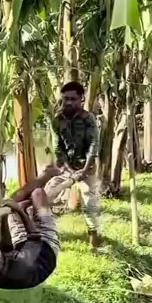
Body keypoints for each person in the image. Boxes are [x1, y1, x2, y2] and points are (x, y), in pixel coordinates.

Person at [0, 165, 72, 289]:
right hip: (44, 251)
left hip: (20, 249)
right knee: (37, 194)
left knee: (12, 200)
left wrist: (5, 216)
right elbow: (35, 237)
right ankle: (62, 174)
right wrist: (19, 210)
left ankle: (47, 175)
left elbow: (6, 246)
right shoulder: (21, 265)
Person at [54, 81, 101, 249]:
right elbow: (57, 147)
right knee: (47, 195)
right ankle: (49, 237)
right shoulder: (57, 119)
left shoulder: (88, 119)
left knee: (89, 203)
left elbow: (93, 146)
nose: (68, 102)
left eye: (73, 99)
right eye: (65, 99)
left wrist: (84, 170)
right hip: (66, 167)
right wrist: (67, 168)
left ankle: (93, 241)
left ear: (81, 99)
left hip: (86, 167)